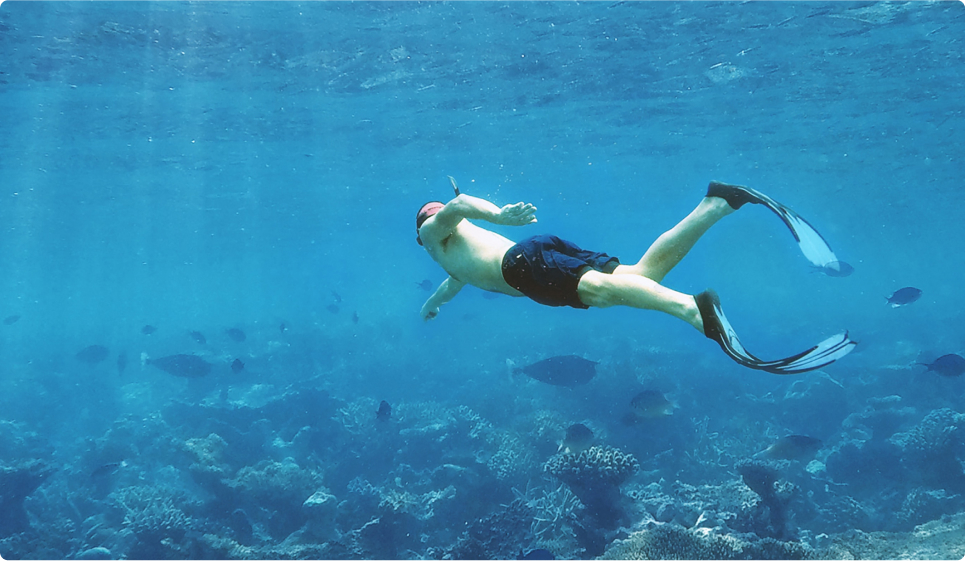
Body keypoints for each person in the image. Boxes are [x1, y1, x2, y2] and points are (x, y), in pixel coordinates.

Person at [415, 180, 856, 374]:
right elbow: (454, 283)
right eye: (430, 213)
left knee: (604, 293)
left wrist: (500, 215)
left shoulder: (433, 233)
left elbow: (457, 206)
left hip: (523, 266)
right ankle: (718, 203)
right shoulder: (451, 261)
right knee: (642, 275)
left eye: (434, 212)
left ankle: (694, 310)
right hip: (535, 253)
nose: (436, 214)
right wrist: (432, 304)